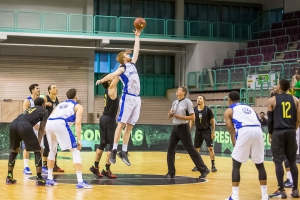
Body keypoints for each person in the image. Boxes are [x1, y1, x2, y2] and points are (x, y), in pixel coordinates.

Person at [96, 29, 142, 166]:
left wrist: (137, 36)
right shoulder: (122, 68)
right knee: (121, 124)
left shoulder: (132, 63)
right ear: (123, 58)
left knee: (130, 126)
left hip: (137, 98)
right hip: (127, 97)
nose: (130, 54)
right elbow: (112, 74)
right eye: (127, 54)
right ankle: (115, 150)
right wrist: (102, 80)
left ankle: (124, 151)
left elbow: (137, 48)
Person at [224, 91, 268, 200]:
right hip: (258, 131)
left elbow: (232, 131)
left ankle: (234, 196)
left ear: (229, 100)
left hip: (244, 130)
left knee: (236, 164)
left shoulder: (229, 110)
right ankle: (265, 196)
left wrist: (236, 146)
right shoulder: (249, 107)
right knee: (260, 164)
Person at [45, 89, 92, 189]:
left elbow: (51, 115)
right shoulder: (78, 106)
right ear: (76, 96)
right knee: (75, 150)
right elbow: (78, 123)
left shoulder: (60, 104)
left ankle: (49, 179)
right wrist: (79, 140)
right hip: (60, 123)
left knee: (52, 151)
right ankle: (80, 182)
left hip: (49, 123)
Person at [164, 86, 210, 179]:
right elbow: (170, 117)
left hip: (183, 128)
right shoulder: (175, 102)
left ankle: (203, 169)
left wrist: (180, 117)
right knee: (170, 150)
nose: (177, 90)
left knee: (191, 150)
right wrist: (170, 113)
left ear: (184, 92)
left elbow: (193, 117)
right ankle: (171, 172)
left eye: (179, 90)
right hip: (175, 128)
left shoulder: (187, 102)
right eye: (177, 90)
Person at [268, 79, 300, 198]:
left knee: (278, 161)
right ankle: (296, 189)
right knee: (292, 161)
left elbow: (270, 120)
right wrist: (293, 129)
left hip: (278, 132)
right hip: (291, 131)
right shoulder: (295, 99)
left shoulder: (272, 100)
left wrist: (270, 134)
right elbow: (298, 119)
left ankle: (282, 191)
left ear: (280, 86)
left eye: (277, 84)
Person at [6, 97, 48, 186]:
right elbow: (42, 128)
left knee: (14, 150)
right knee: (37, 151)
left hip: (13, 124)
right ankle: (39, 179)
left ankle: (9, 177)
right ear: (43, 104)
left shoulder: (29, 109)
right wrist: (38, 142)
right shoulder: (44, 110)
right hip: (24, 125)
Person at [90, 76, 119, 178]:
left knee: (102, 144)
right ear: (108, 82)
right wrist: (124, 64)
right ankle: (106, 169)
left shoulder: (108, 90)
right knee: (112, 145)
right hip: (109, 119)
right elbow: (117, 76)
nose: (113, 79)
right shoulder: (111, 88)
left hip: (104, 118)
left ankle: (95, 166)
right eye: (110, 79)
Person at [190, 95, 217, 172]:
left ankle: (213, 165)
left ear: (204, 101)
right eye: (197, 98)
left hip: (206, 130)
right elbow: (192, 121)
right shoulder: (194, 110)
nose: (198, 99)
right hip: (198, 131)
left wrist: (213, 132)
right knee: (196, 149)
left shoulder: (207, 110)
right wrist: (189, 130)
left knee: (210, 148)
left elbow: (212, 121)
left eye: (200, 98)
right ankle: (197, 166)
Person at [42, 84, 64, 174]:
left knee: (55, 145)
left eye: (56, 87)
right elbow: (39, 109)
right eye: (54, 88)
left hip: (55, 125)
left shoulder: (58, 100)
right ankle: (44, 165)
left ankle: (54, 165)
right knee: (47, 146)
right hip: (47, 125)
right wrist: (45, 104)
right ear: (49, 91)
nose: (56, 89)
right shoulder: (45, 98)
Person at [22, 83, 42, 175]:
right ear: (32, 90)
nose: (39, 89)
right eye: (37, 88)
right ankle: (26, 167)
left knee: (40, 147)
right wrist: (33, 124)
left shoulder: (40, 101)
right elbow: (25, 115)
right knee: (27, 147)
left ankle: (40, 166)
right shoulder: (28, 101)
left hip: (39, 127)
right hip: (29, 126)